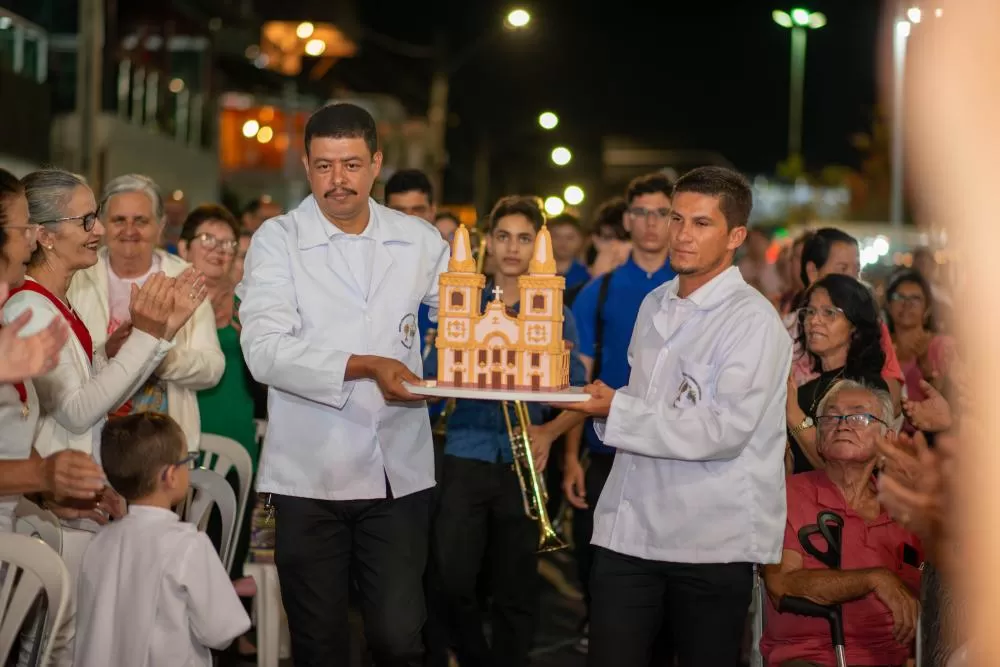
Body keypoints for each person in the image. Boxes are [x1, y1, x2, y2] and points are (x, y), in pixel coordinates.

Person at [237, 102, 450, 666]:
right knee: (319, 642)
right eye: (325, 166)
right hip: (310, 474)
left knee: (398, 637)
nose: (339, 181)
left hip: (396, 469)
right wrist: (369, 365)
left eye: (352, 164)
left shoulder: (420, 240)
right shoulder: (277, 240)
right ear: (307, 166)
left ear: (376, 163)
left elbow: (464, 321)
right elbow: (264, 351)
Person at [560, 166, 792, 667]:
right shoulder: (654, 302)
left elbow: (721, 430)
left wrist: (615, 407)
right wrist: (604, 405)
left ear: (735, 236)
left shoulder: (752, 320)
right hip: (632, 529)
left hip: (710, 539)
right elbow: (645, 403)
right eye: (676, 218)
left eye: (701, 223)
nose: (682, 234)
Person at [3, 168, 205, 667]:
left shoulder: (56, 301)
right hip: (52, 503)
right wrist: (151, 337)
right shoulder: (31, 304)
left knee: (64, 640)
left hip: (67, 494)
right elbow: (76, 411)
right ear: (45, 236)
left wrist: (153, 337)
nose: (100, 231)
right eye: (88, 219)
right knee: (54, 644)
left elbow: (93, 401)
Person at [428, 196, 586, 667]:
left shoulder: (554, 305)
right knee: (453, 579)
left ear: (536, 243)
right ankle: (475, 655)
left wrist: (551, 433)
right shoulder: (465, 300)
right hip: (464, 454)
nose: (512, 248)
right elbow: (433, 379)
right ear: (488, 243)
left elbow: (579, 392)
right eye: (502, 237)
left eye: (523, 238)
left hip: (524, 460)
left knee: (516, 586)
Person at [556, 171, 677, 652]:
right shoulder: (599, 291)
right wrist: (570, 456)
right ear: (627, 219)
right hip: (605, 448)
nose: (651, 224)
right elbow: (580, 384)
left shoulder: (686, 288)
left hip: (672, 450)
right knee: (597, 559)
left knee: (665, 567)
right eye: (642, 212)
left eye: (661, 213)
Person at [762, 380, 922, 667]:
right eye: (831, 417)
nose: (842, 424)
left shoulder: (905, 510)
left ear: (887, 438)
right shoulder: (789, 494)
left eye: (859, 416)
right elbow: (780, 583)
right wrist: (873, 579)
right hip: (810, 657)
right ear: (820, 438)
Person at [74, 413, 252, 667]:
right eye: (187, 460)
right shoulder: (188, 545)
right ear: (170, 475)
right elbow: (220, 633)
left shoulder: (99, 541)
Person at [67, 173, 224, 453]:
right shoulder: (78, 275)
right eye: (119, 220)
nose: (130, 230)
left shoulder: (183, 278)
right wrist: (108, 352)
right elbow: (66, 366)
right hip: (89, 441)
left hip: (164, 443)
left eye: (141, 220)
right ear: (102, 225)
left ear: (160, 226)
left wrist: (157, 356)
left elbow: (212, 369)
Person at [0, 168, 106, 534]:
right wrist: (43, 475)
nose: (31, 236)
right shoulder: (26, 308)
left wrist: (46, 485)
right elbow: (74, 411)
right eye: (22, 227)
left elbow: (13, 437)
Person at [787, 275, 889, 472]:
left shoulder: (867, 388)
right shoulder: (804, 391)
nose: (814, 321)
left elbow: (841, 469)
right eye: (810, 312)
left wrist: (793, 415)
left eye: (829, 313)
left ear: (854, 325)